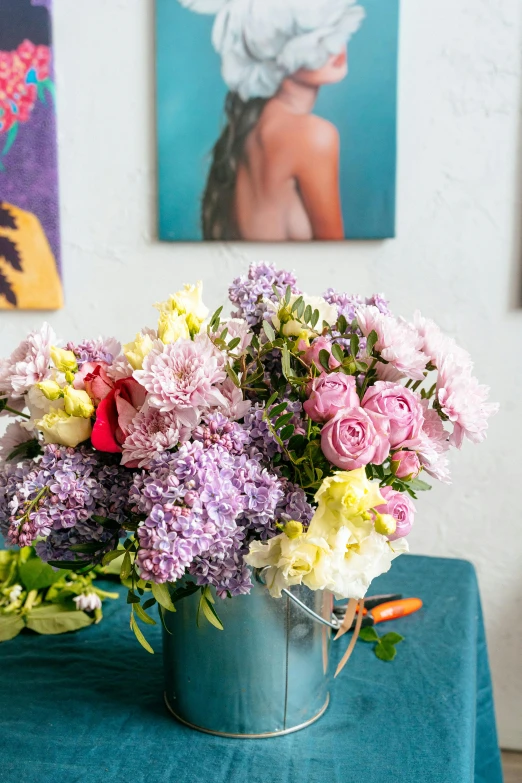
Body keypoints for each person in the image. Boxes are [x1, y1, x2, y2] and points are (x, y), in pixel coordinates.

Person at [179, 0, 365, 241]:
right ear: (271, 55)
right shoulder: (312, 136)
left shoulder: (252, 130)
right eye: (313, 36)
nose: (336, 47)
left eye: (336, 26)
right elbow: (335, 261)